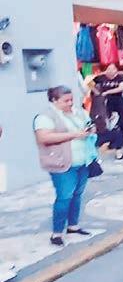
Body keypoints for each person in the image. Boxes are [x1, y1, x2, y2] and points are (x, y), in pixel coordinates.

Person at [33, 86, 99, 246]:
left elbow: (90, 125)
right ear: (54, 100)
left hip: (83, 160)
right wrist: (75, 134)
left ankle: (73, 226)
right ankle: (57, 232)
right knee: (64, 197)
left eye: (71, 100)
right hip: (61, 162)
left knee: (77, 194)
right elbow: (43, 138)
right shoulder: (45, 117)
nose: (70, 103)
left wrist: (91, 129)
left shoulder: (79, 112)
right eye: (65, 101)